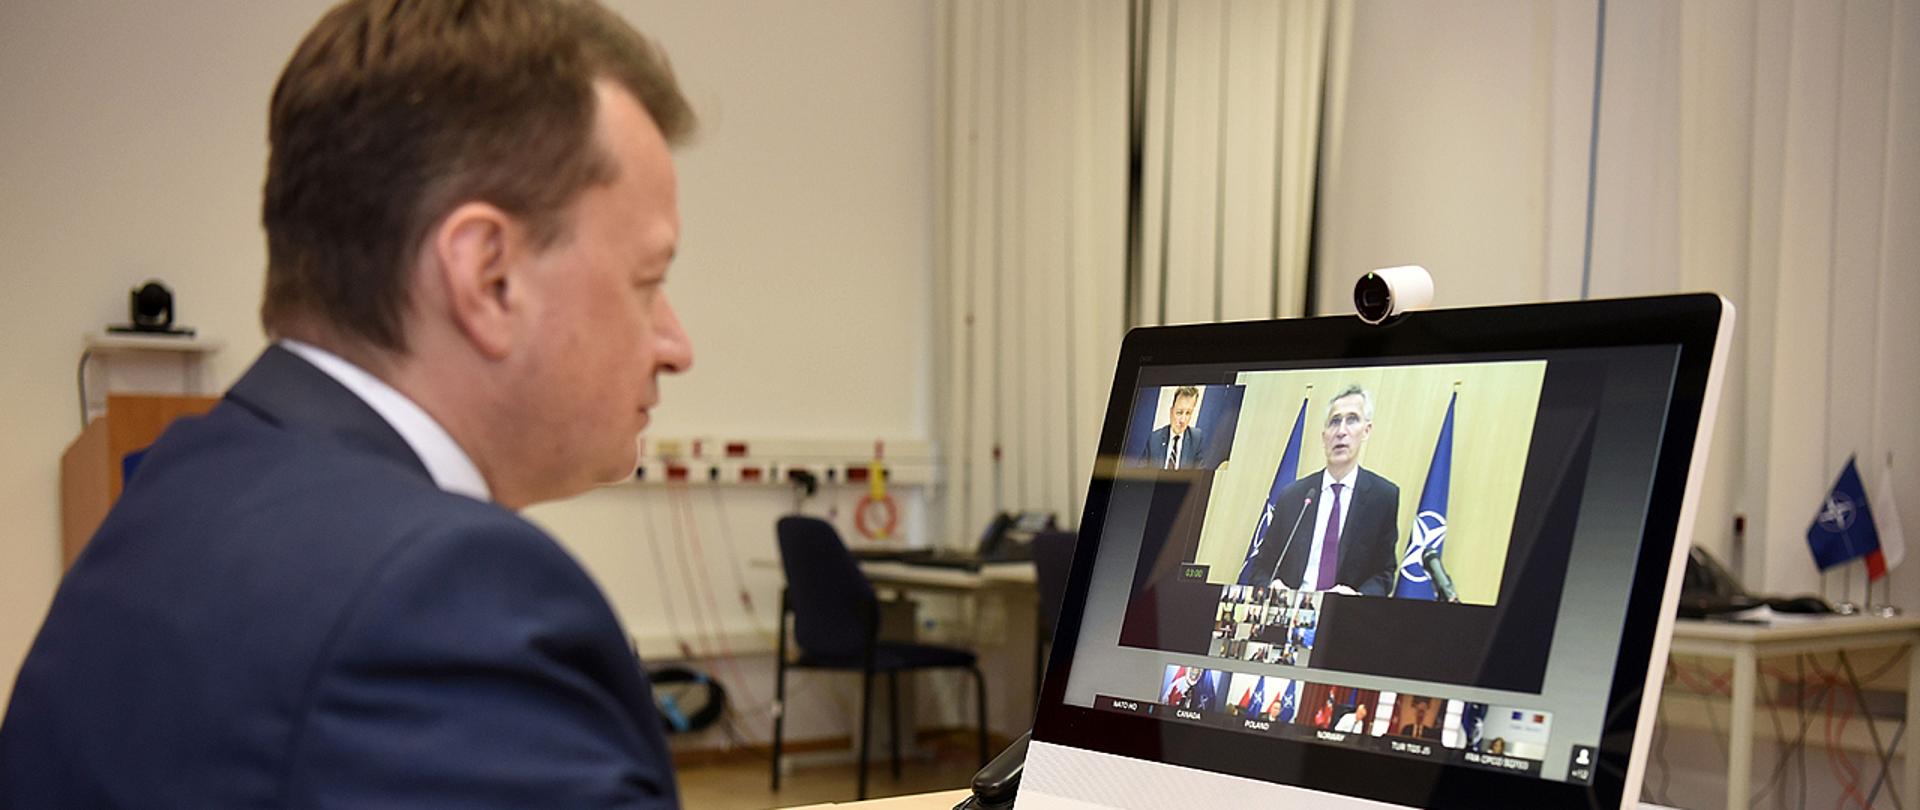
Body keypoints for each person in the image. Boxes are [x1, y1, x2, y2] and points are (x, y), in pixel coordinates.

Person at [0, 2, 695, 806]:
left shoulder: (176, 490)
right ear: (489, 278)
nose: (675, 345)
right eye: (649, 282)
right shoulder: (437, 602)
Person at [1240, 385, 1402, 596]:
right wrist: (1272, 587)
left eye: (1352, 420)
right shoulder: (1293, 496)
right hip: (1288, 613)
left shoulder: (1383, 497)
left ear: (1366, 430)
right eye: (1335, 421)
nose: (1341, 431)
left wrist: (1357, 598)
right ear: (1324, 435)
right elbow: (1261, 566)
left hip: (1344, 616)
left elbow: (1384, 573)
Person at [1138, 386, 1207, 469]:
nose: (1183, 420)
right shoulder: (1154, 439)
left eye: (1188, 413)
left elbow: (1200, 475)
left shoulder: (1196, 438)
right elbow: (1140, 473)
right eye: (1179, 413)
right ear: (1171, 411)